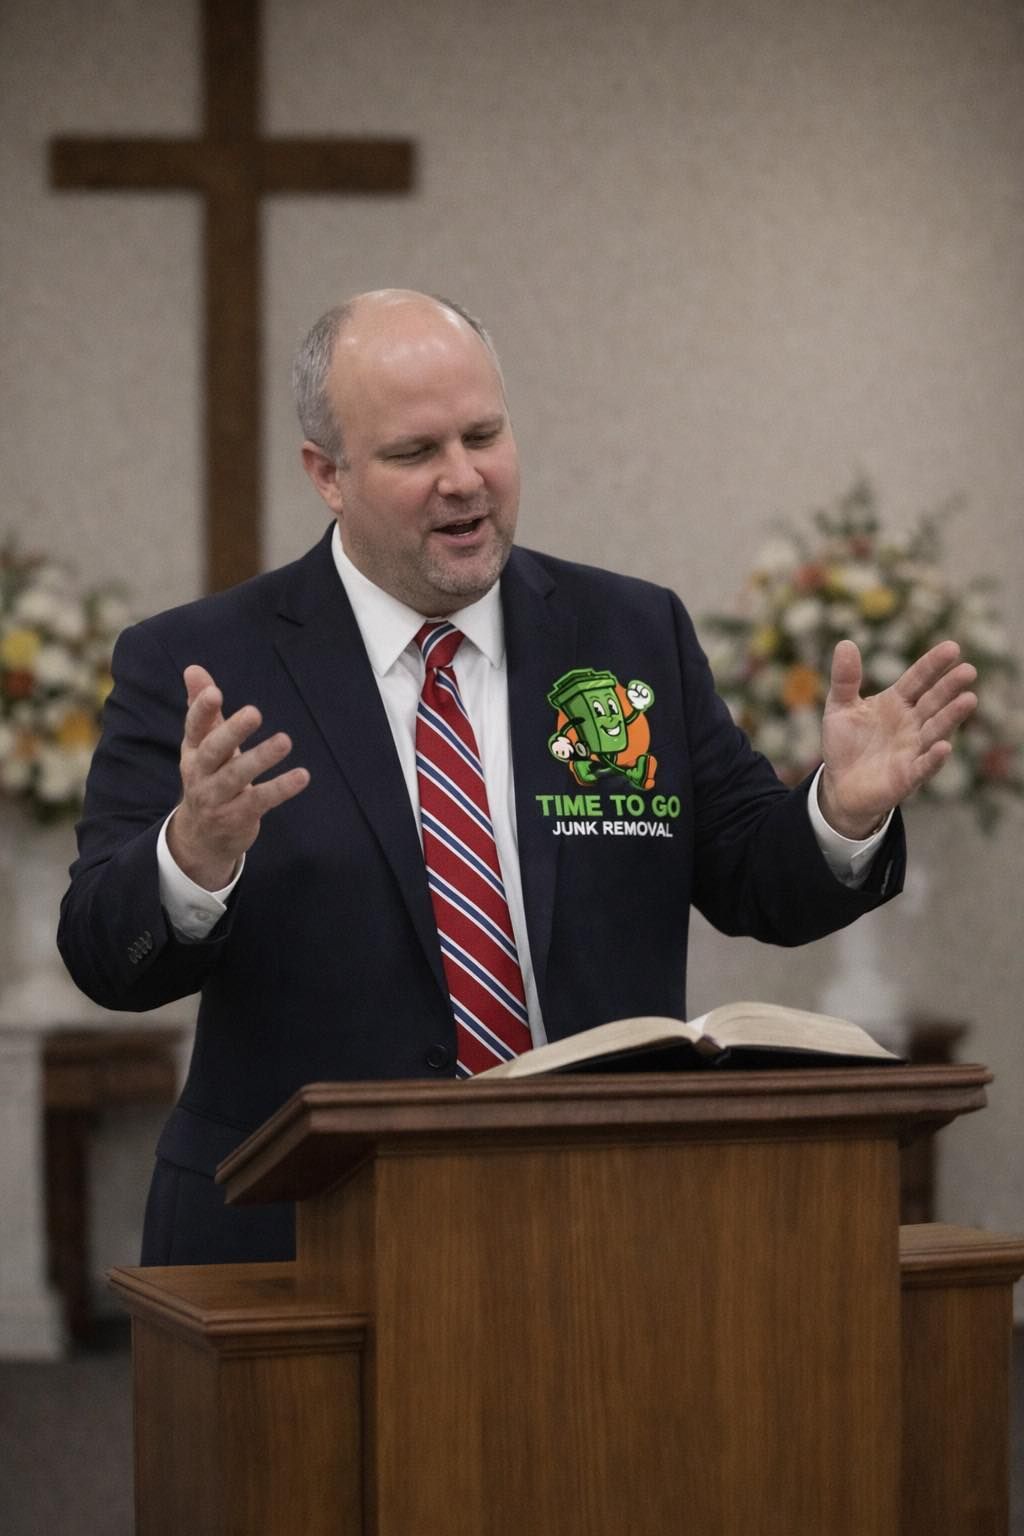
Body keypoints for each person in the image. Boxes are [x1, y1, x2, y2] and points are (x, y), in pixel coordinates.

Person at [57, 290, 977, 1266]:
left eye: (483, 436)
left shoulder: (629, 632)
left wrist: (838, 812)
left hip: (600, 1220)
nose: (464, 481)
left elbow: (756, 878)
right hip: (301, 1232)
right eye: (416, 453)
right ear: (326, 474)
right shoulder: (201, 662)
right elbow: (107, 957)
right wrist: (190, 859)